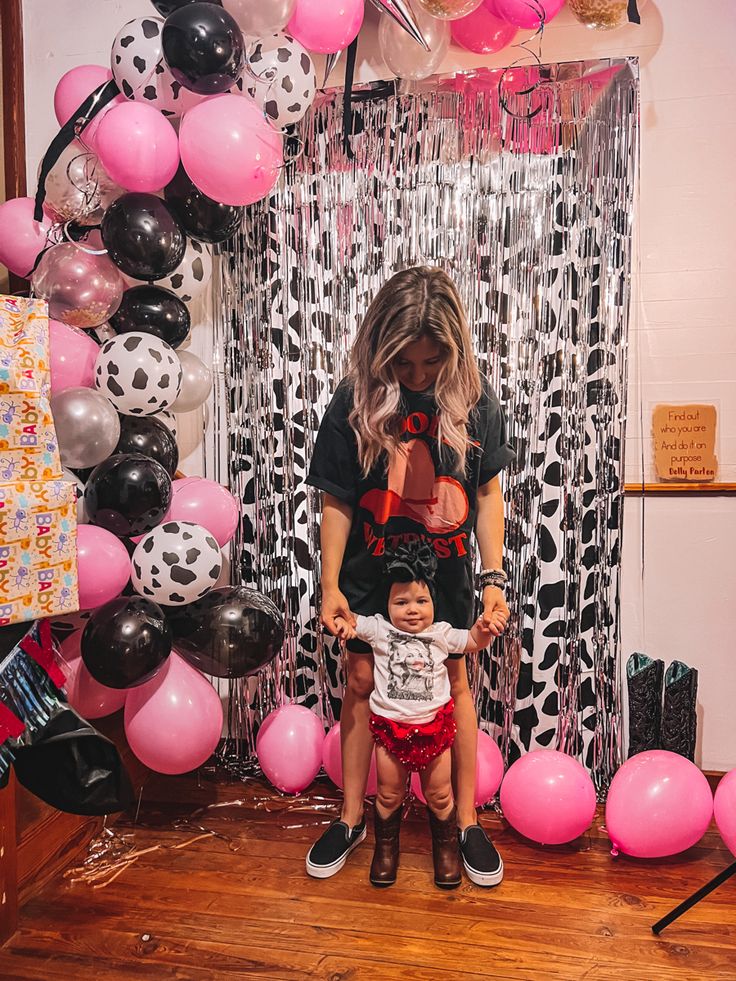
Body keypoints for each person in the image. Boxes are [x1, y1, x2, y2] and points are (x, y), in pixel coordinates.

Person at [305, 265, 515, 886]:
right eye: (404, 364)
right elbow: (338, 498)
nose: (418, 378)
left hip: (445, 576)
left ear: (452, 352)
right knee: (362, 684)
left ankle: (467, 823)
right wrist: (332, 584)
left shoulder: (474, 400)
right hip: (374, 573)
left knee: (457, 687)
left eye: (431, 364)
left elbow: (487, 495)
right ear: (380, 349)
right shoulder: (355, 399)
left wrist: (494, 578)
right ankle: (352, 818)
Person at [333, 541, 499, 888]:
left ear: (434, 604)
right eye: (401, 602)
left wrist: (483, 632)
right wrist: (345, 626)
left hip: (433, 733)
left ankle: (446, 850)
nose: (412, 610)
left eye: (421, 601)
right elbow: (352, 622)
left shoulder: (440, 634)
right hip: (390, 731)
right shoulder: (379, 629)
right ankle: (386, 850)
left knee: (440, 795)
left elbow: (470, 641)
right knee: (389, 794)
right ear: (388, 605)